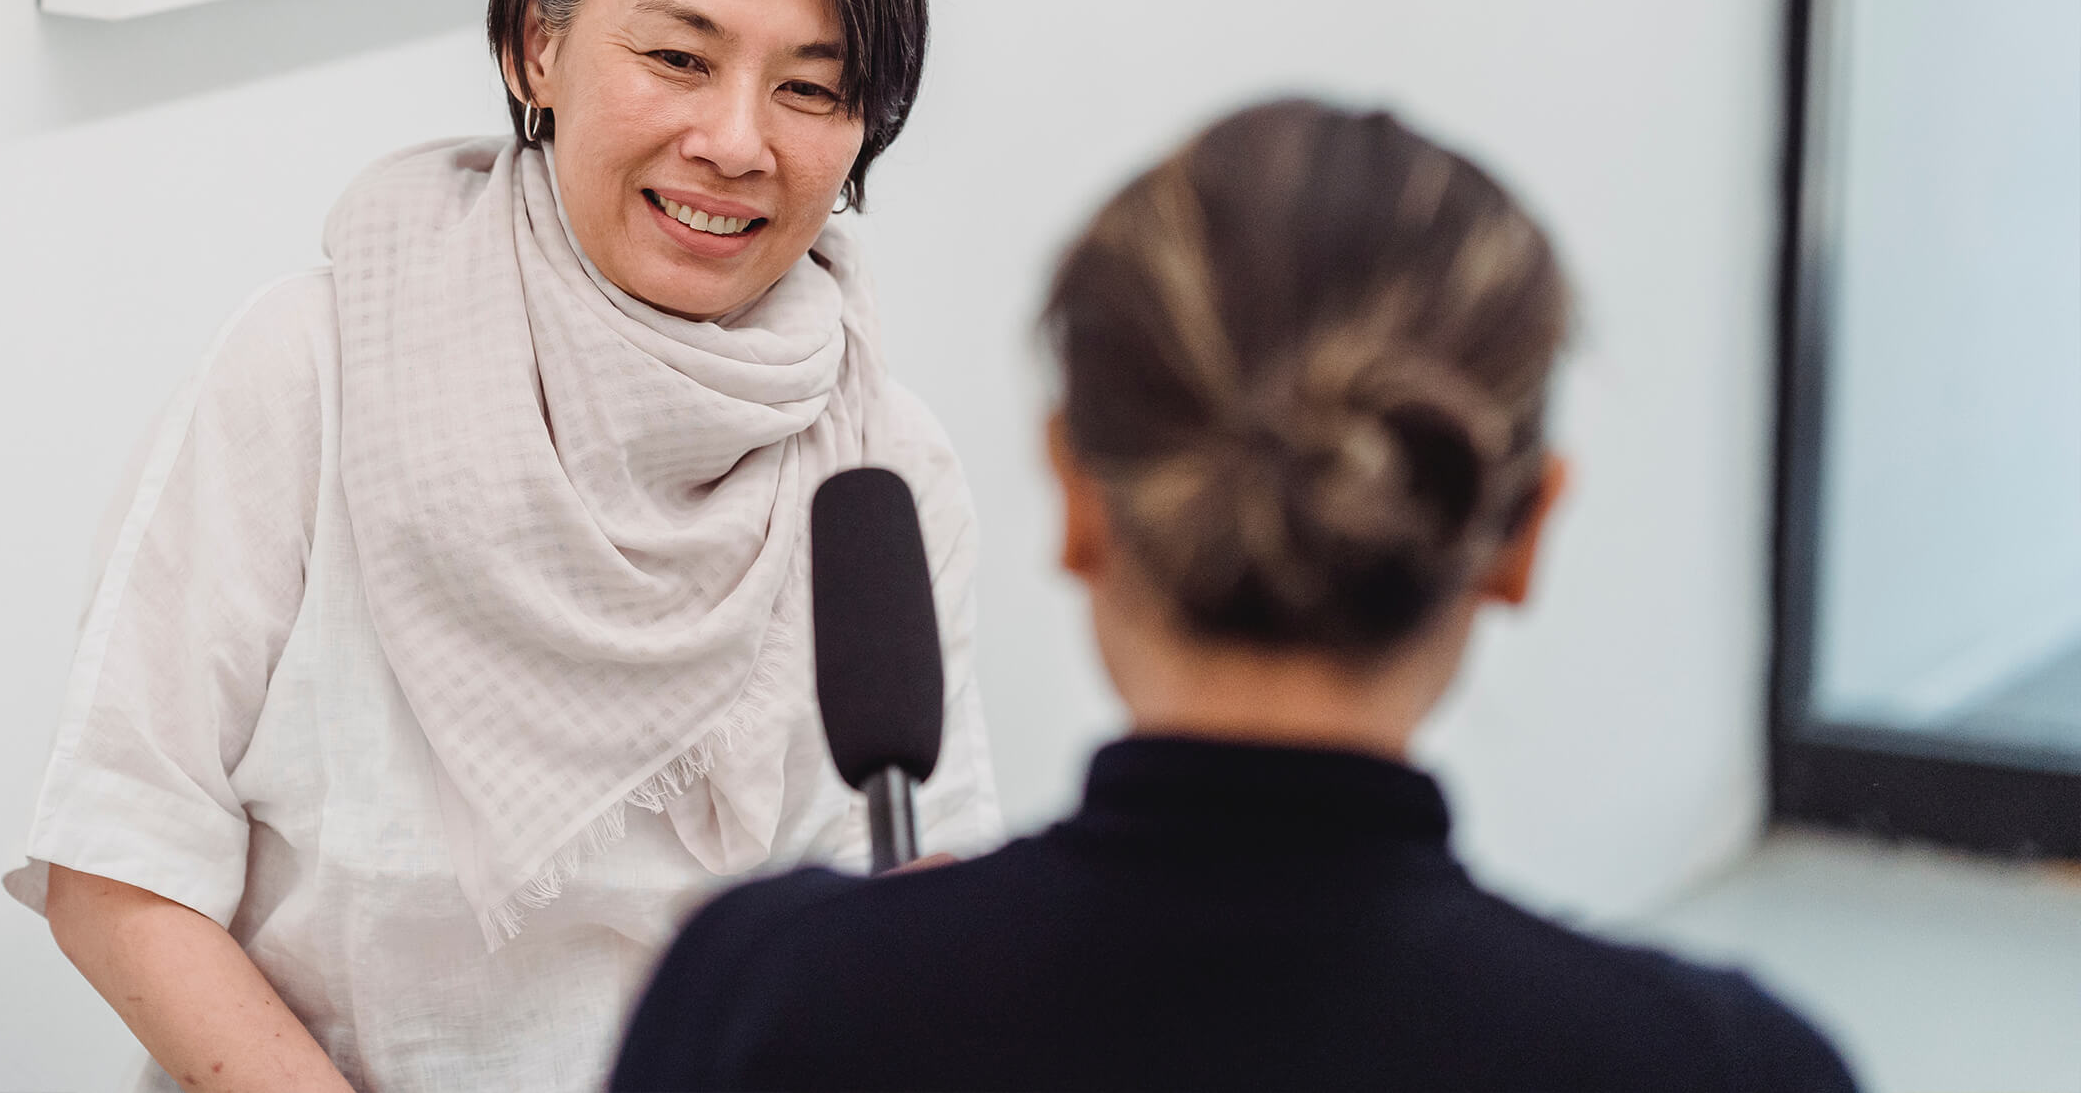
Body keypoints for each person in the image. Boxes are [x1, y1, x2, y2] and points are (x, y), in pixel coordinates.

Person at [3, 0, 999, 1092]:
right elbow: (118, 862)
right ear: (539, 43)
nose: (735, 141)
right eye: (679, 59)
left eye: (810, 88)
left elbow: (910, 898)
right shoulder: (311, 373)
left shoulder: (881, 465)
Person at [611, 99, 1859, 1092]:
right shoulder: (1724, 1067)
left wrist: (872, 977)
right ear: (1521, 538)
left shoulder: (767, 1006)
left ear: (1078, 500)